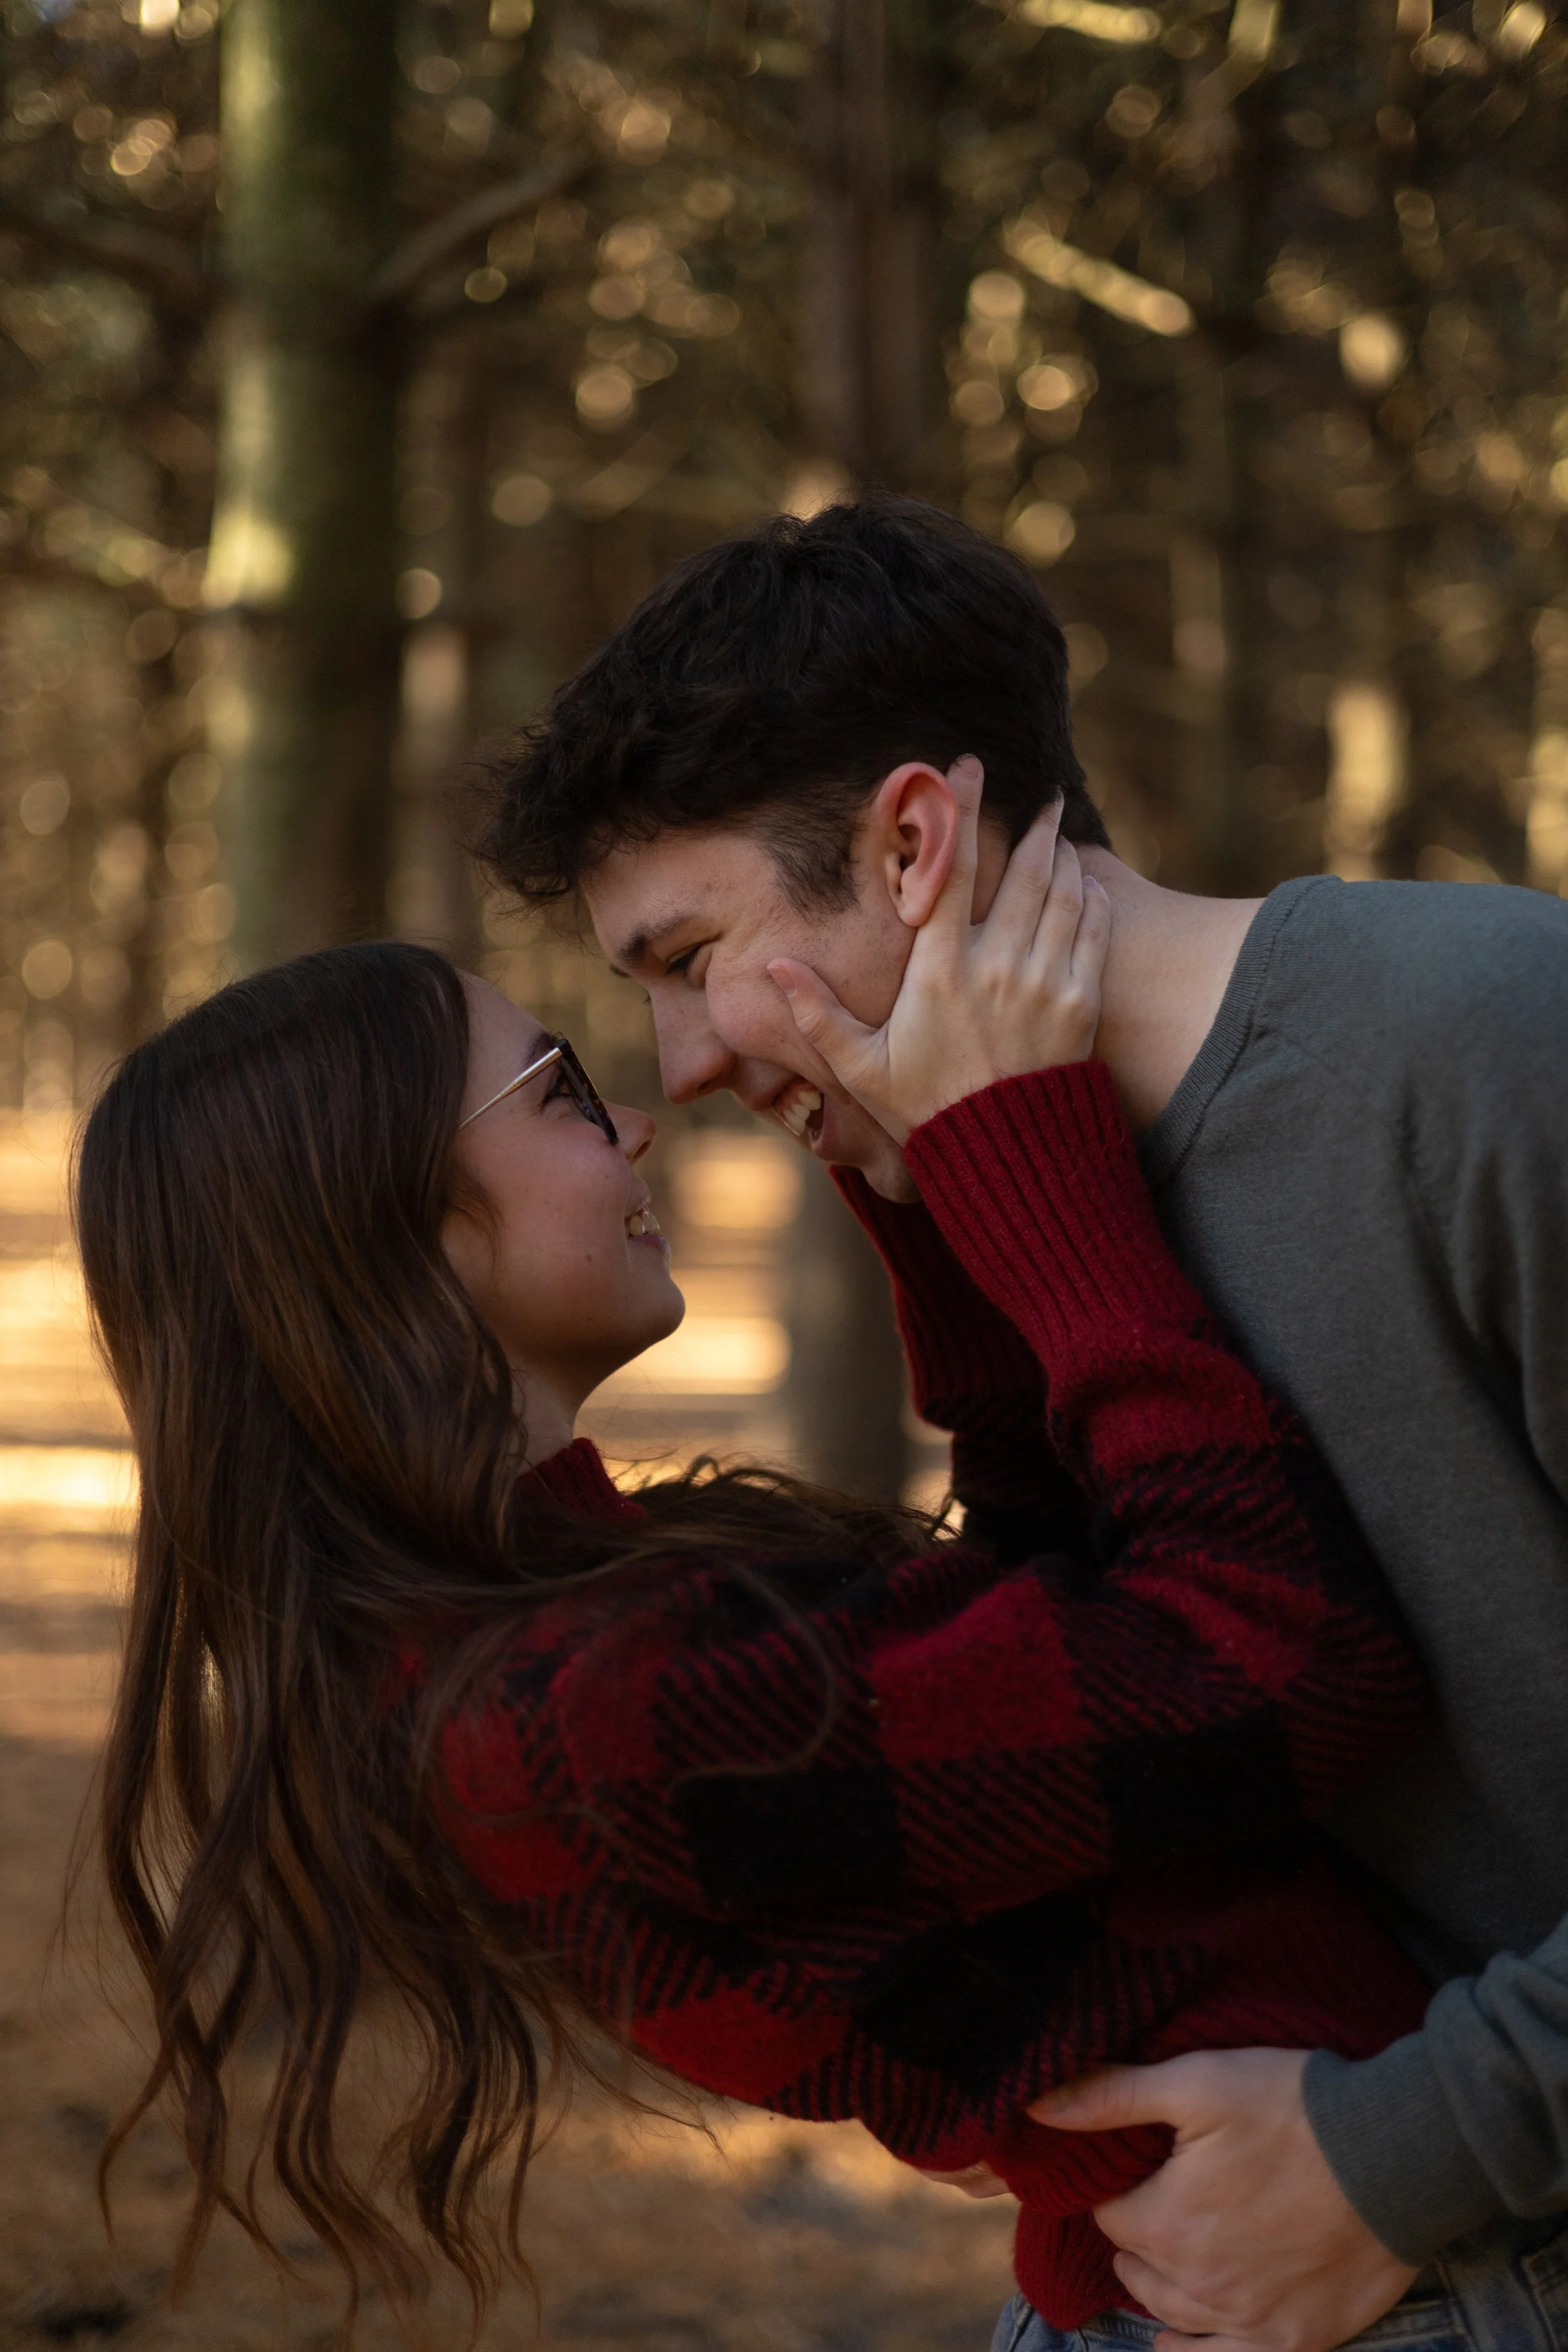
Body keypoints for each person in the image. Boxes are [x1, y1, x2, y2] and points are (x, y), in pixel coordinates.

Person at [78, 817, 1443, 2344]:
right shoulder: (588, 1722)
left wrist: (917, 1184)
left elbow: (1035, 1670)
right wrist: (1030, 1160)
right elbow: (1267, 1667)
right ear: (406, 1237)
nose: (640, 1124)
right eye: (561, 1092)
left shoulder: (532, 1646)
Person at [477, 489, 1568, 2352]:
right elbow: (1115, 1714)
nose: (686, 1071)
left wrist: (1395, 2150)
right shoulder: (1009, 1191)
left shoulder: (1483, 1044)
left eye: (684, 955)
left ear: (911, 839)